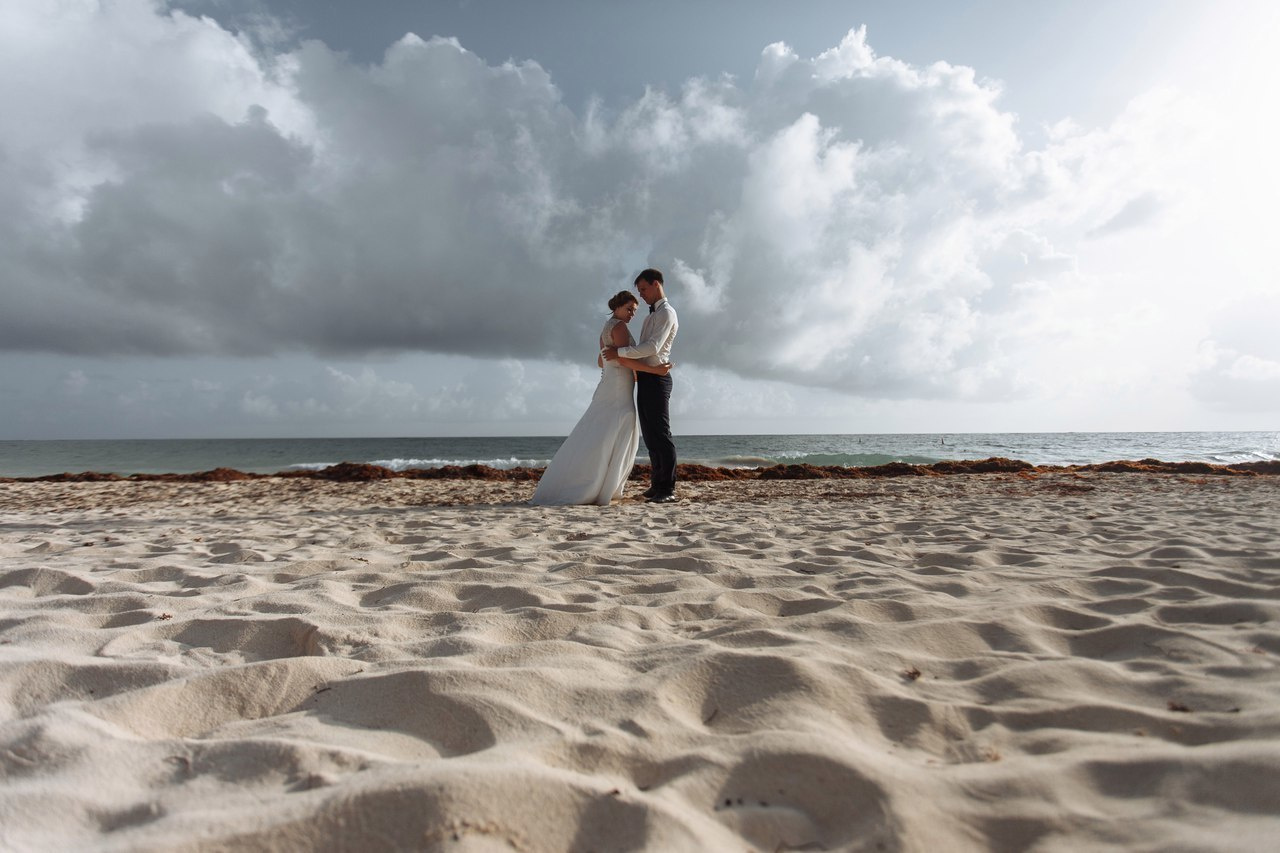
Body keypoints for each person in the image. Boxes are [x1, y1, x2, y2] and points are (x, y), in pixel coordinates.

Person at [531, 291, 671, 506]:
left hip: (609, 383)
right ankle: (603, 484)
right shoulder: (620, 327)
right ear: (617, 306)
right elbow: (623, 360)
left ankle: (593, 480)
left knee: (601, 429)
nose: (632, 313)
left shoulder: (606, 328)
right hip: (617, 387)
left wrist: (620, 365)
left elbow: (601, 360)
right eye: (629, 309)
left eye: (634, 310)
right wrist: (654, 371)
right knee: (619, 426)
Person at [603, 268, 678, 503]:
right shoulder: (650, 316)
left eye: (644, 289)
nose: (642, 295)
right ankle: (656, 485)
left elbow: (652, 348)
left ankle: (668, 489)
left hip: (658, 378)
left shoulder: (667, 313)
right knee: (650, 435)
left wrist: (619, 352)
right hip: (646, 377)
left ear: (656, 284)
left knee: (661, 434)